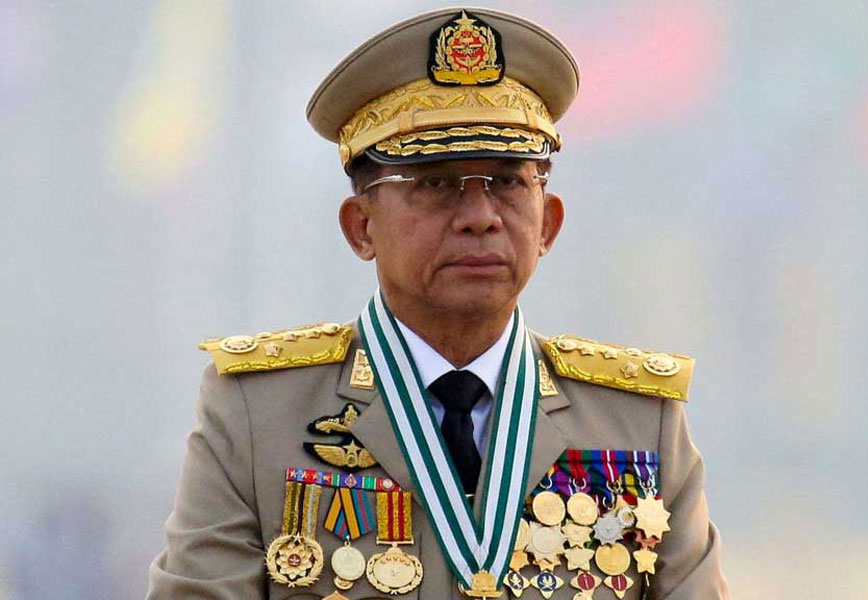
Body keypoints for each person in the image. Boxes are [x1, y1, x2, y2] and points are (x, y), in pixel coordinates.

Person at [148, 7, 728, 599]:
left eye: (507, 181)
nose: (479, 217)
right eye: (434, 183)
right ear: (361, 227)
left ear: (548, 223)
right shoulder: (256, 415)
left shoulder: (637, 421)